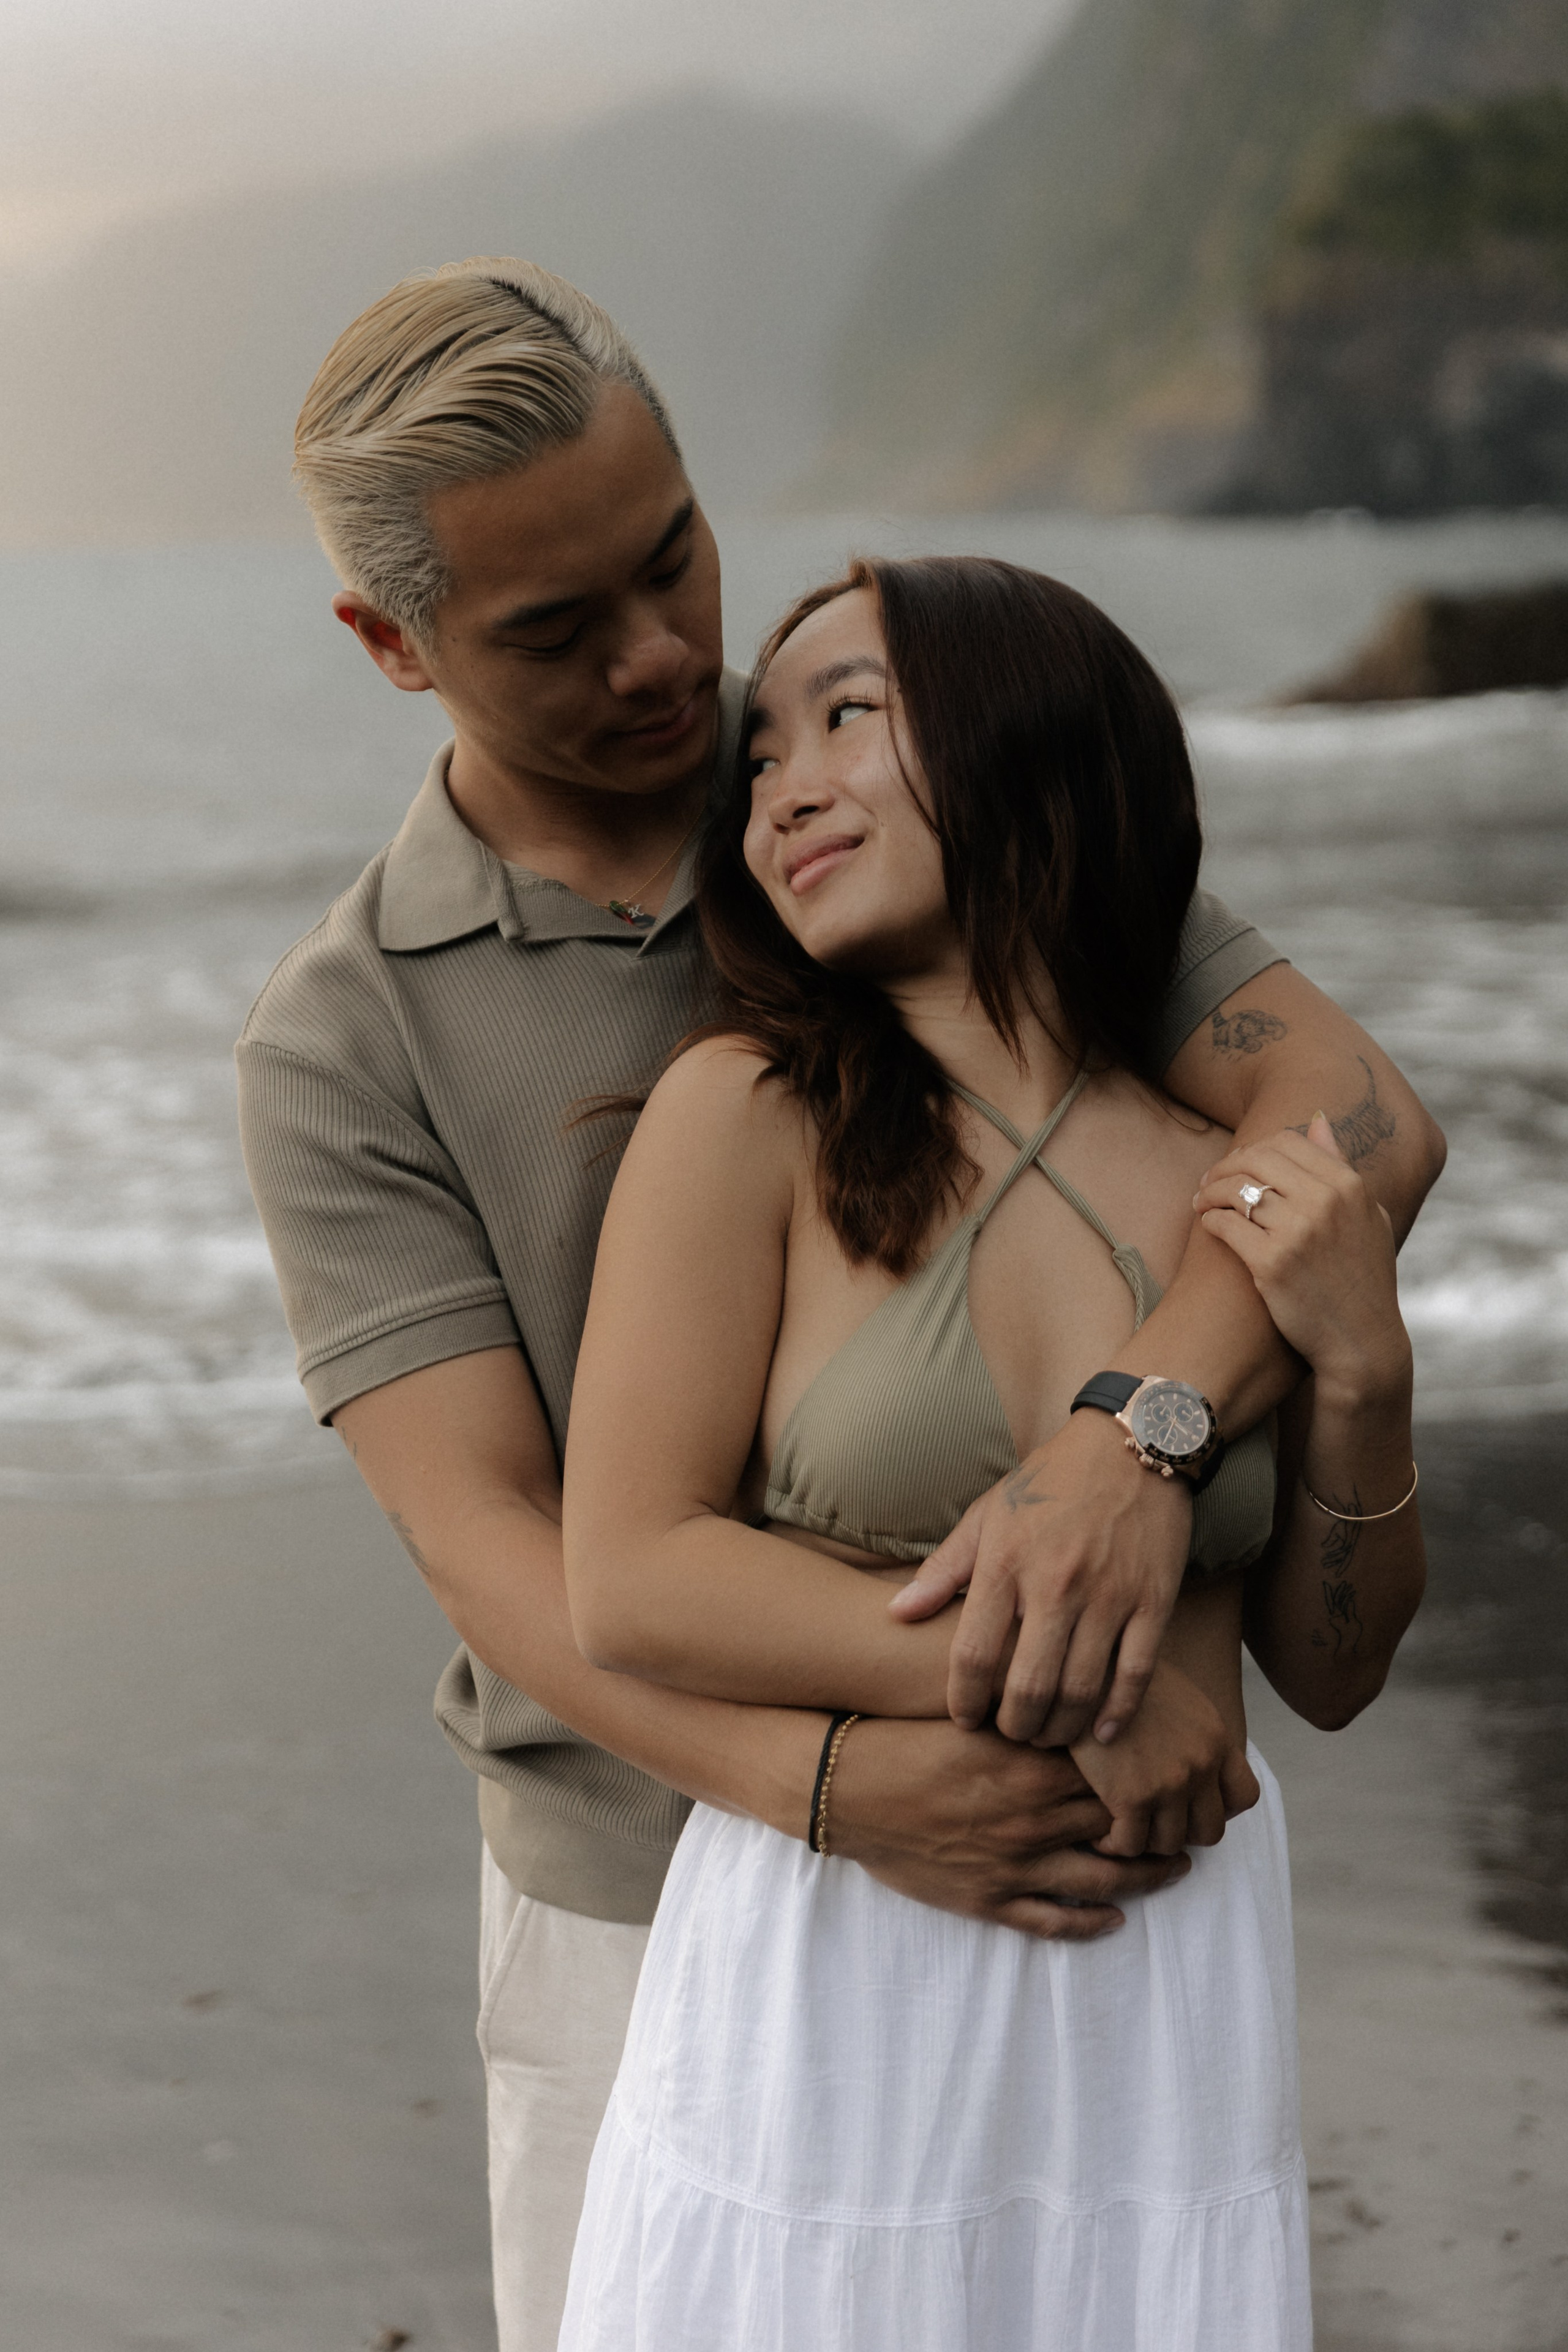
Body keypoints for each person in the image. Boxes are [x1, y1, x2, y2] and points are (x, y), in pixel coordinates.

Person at [236, 259, 1444, 2352]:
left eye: (675, 554)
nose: (665, 657)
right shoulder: (349, 1043)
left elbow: (1345, 1124)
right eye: (555, 629)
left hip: (1100, 1856)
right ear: (388, 647)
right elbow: (515, 1563)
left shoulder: (890, 786)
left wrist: (1128, 1462)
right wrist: (843, 1778)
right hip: (643, 1897)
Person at [557, 556, 1428, 2349]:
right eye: (761, 758)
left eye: (847, 716)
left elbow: (1330, 1675)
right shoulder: (748, 1114)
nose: (782, 781)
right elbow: (630, 1574)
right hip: (837, 1971)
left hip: (1167, 1993)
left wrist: (1366, 1385)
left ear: (1033, 727)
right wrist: (1075, 1682)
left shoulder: (1226, 1169)